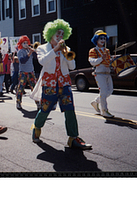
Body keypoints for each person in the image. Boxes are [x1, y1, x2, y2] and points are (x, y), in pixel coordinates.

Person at [30, 19, 92, 149]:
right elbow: (42, 61)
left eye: (62, 34)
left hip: (64, 83)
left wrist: (66, 55)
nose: (60, 36)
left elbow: (72, 66)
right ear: (51, 34)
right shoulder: (42, 48)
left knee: (70, 110)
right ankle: (36, 128)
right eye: (58, 33)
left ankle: (73, 138)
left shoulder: (67, 49)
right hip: (49, 84)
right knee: (45, 109)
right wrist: (56, 49)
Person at [88, 30, 114, 117]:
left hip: (107, 72)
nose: (102, 40)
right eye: (100, 38)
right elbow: (92, 61)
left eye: (104, 38)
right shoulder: (93, 50)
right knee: (103, 92)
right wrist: (101, 59)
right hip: (99, 73)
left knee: (109, 91)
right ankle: (104, 111)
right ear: (96, 39)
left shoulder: (107, 50)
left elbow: (108, 62)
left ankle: (95, 102)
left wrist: (111, 61)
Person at [16, 35, 39, 110]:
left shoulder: (29, 50)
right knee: (21, 88)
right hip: (23, 72)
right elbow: (22, 61)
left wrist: (33, 51)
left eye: (27, 42)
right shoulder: (20, 51)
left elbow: (36, 58)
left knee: (34, 88)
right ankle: (18, 102)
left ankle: (38, 103)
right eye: (24, 43)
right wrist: (29, 54)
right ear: (21, 44)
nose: (26, 44)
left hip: (31, 72)